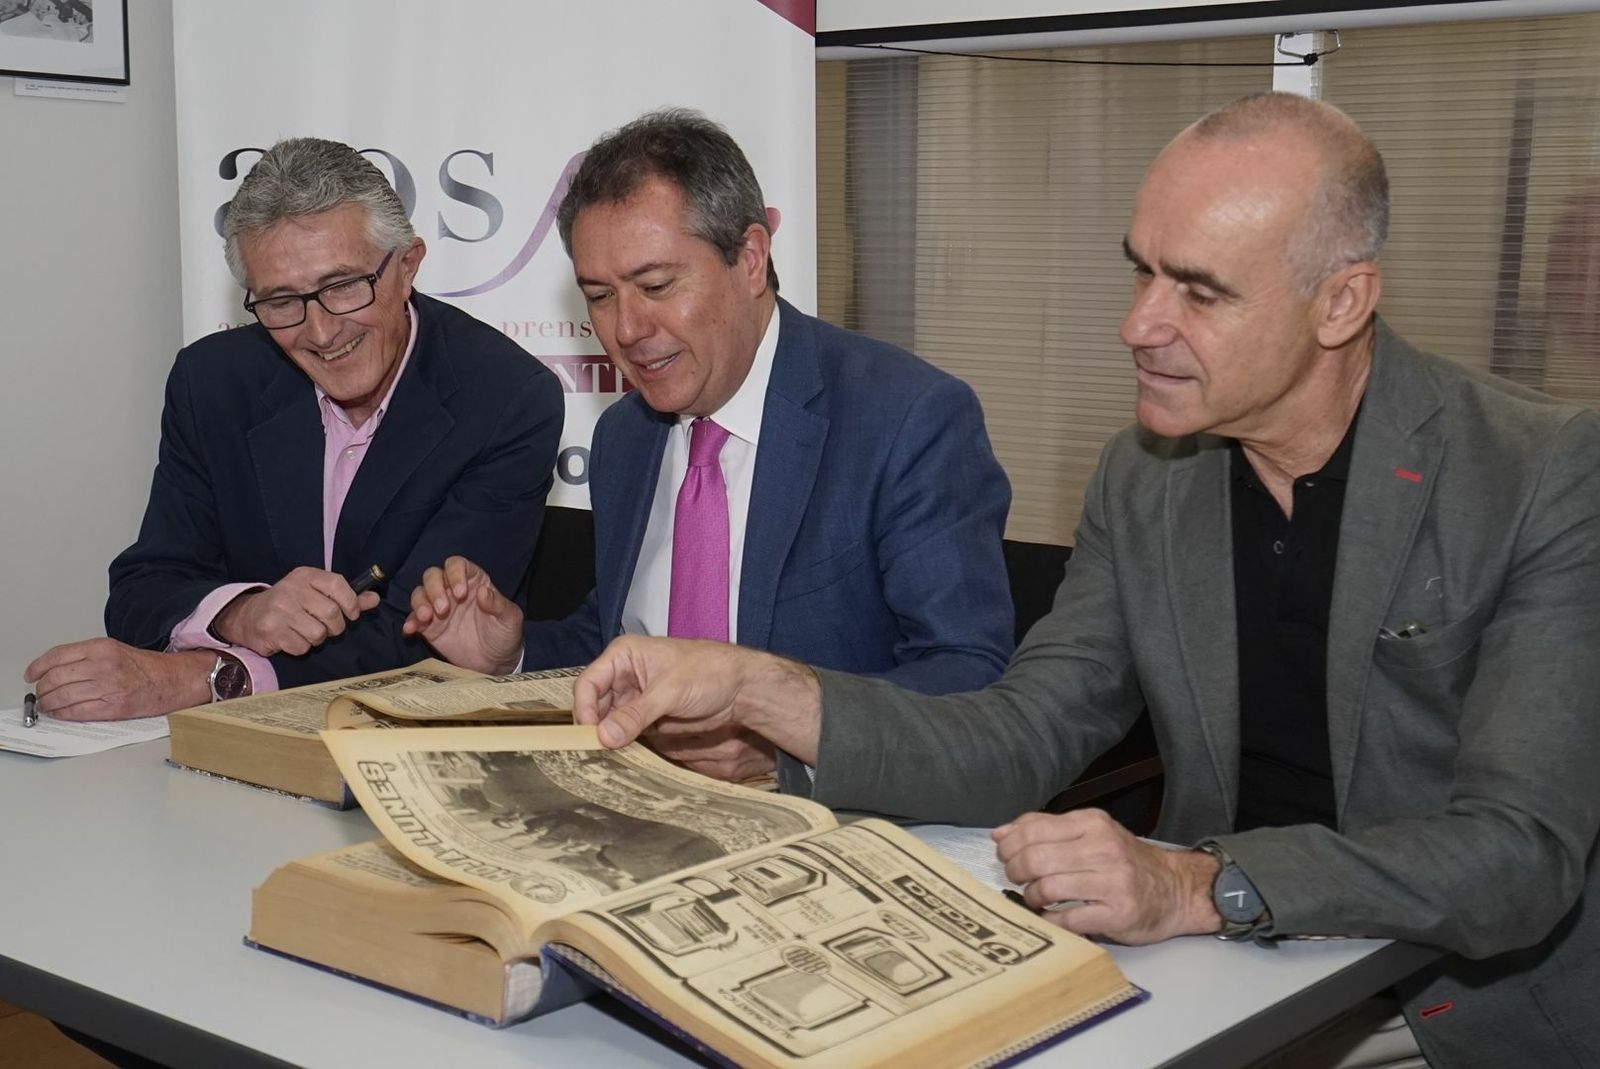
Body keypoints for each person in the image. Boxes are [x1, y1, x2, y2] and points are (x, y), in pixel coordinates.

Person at [568, 93, 1600, 1069]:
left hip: (1456, 1013)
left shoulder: (1541, 470)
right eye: (1140, 272)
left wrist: (1200, 881)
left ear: (1340, 302)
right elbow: (1020, 735)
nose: (1139, 324)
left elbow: (1518, 856)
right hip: (1224, 976)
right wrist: (755, 690)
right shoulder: (1148, 477)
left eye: (1197, 290)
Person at [405, 109, 1014, 781]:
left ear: (750, 259)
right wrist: (513, 653)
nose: (628, 329)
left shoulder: (905, 419)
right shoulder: (624, 435)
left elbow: (968, 682)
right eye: (600, 296)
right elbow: (622, 640)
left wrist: (790, 744)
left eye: (658, 285)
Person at [25, 137, 564, 721]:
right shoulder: (213, 381)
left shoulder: (506, 397)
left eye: (342, 287)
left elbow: (424, 639)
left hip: (411, 737)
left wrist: (212, 676)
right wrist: (241, 611)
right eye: (282, 300)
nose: (321, 333)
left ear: (407, 266)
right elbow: (143, 587)